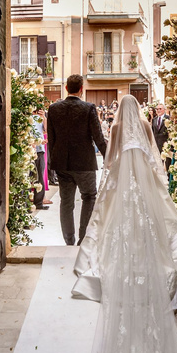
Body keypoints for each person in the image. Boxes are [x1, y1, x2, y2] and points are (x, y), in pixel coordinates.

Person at [72, 94, 177, 353]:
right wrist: (156, 187)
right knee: (148, 233)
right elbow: (153, 156)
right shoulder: (146, 123)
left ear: (121, 110)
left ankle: (125, 270)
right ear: (140, 110)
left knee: (122, 234)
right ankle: (150, 268)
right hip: (143, 191)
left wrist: (110, 187)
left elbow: (110, 160)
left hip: (124, 192)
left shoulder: (118, 125)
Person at [47, 74, 107, 245]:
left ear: (66, 88)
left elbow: (52, 139)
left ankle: (69, 240)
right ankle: (83, 239)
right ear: (81, 89)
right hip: (84, 163)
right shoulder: (88, 108)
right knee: (89, 196)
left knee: (66, 202)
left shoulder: (54, 108)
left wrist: (54, 161)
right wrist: (108, 156)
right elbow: (98, 137)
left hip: (63, 164)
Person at [152, 103, 171, 173]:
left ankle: (168, 176)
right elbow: (153, 131)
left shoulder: (168, 118)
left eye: (160, 109)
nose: (158, 110)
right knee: (157, 162)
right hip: (156, 143)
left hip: (165, 143)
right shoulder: (154, 119)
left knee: (167, 162)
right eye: (157, 109)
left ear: (164, 109)